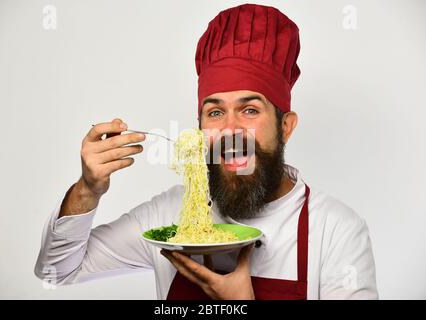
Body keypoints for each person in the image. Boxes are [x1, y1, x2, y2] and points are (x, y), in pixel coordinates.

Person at [35, 3, 378, 300]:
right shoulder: (172, 216)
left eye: (249, 110)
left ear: (286, 125)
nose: (229, 130)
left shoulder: (335, 230)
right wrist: (87, 190)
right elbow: (57, 271)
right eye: (215, 112)